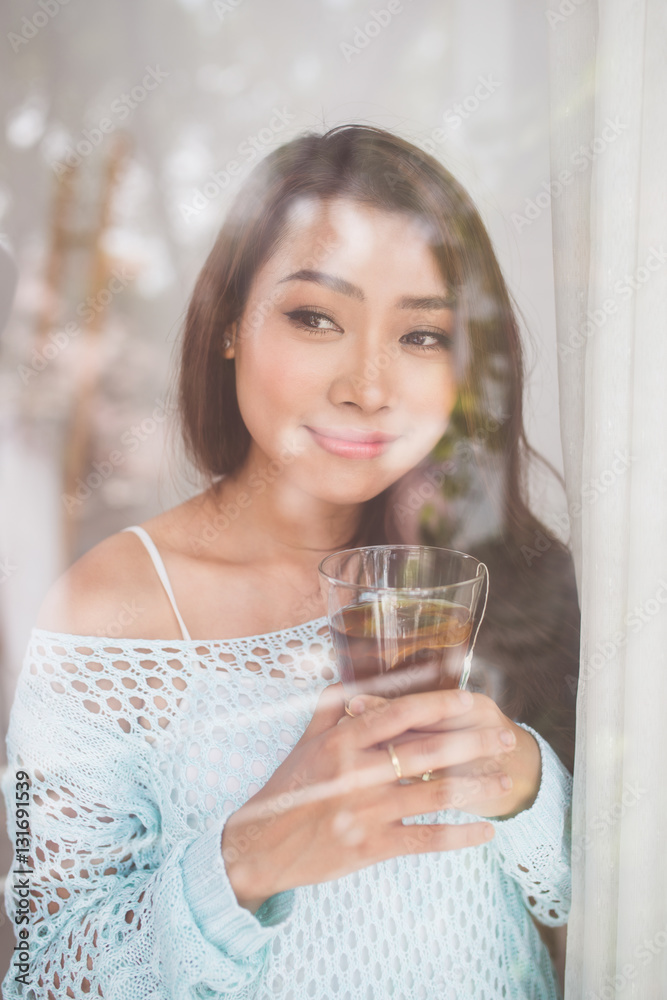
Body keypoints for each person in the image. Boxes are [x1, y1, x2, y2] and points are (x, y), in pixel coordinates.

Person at [2, 125, 579, 999]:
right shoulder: (111, 607)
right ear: (230, 323)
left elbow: (615, 900)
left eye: (421, 336)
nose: (368, 386)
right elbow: (45, 978)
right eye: (315, 318)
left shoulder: (508, 572)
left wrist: (527, 783)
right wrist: (253, 853)